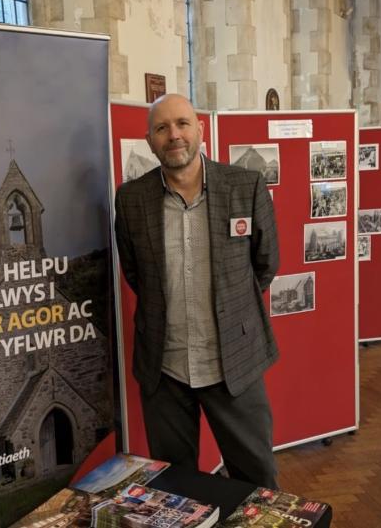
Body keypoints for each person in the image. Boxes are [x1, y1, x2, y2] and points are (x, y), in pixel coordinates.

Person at [114, 93, 280, 488]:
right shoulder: (132, 199)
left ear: (200, 130)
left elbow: (266, 263)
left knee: (256, 480)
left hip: (234, 363)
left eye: (182, 124)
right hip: (165, 369)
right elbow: (136, 275)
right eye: (162, 128)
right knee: (176, 486)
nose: (174, 135)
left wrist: (228, 305)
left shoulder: (245, 186)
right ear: (150, 140)